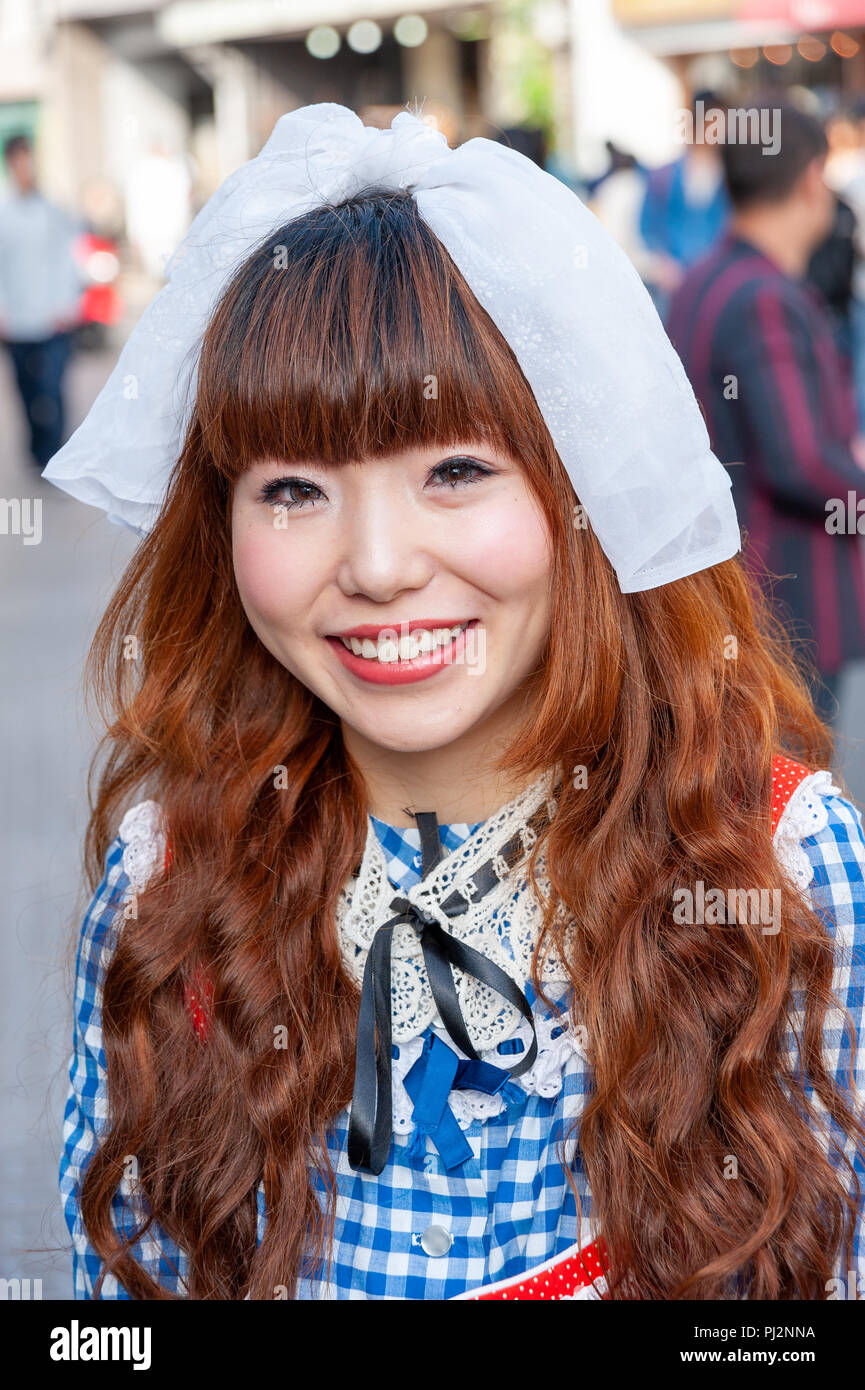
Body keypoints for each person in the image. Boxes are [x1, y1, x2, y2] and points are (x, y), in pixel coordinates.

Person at [48, 104, 864, 1301]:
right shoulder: (169, 881)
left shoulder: (783, 871)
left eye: (456, 470)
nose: (376, 564)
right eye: (290, 488)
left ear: (580, 488)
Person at [668, 96, 865, 728]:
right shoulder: (767, 297)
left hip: (731, 592)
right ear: (812, 179)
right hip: (788, 600)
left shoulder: (700, 279)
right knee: (791, 796)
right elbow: (801, 462)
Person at [0, 133, 82, 471]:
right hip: (16, 322)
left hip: (53, 319)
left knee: (52, 387)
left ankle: (54, 453)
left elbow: (68, 259)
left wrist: (67, 304)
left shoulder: (54, 211)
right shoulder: (4, 215)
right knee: (27, 390)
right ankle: (36, 452)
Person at [639, 89, 731, 318]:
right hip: (672, 289)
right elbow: (645, 228)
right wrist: (661, 265)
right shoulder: (662, 176)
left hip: (720, 288)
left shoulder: (734, 179)